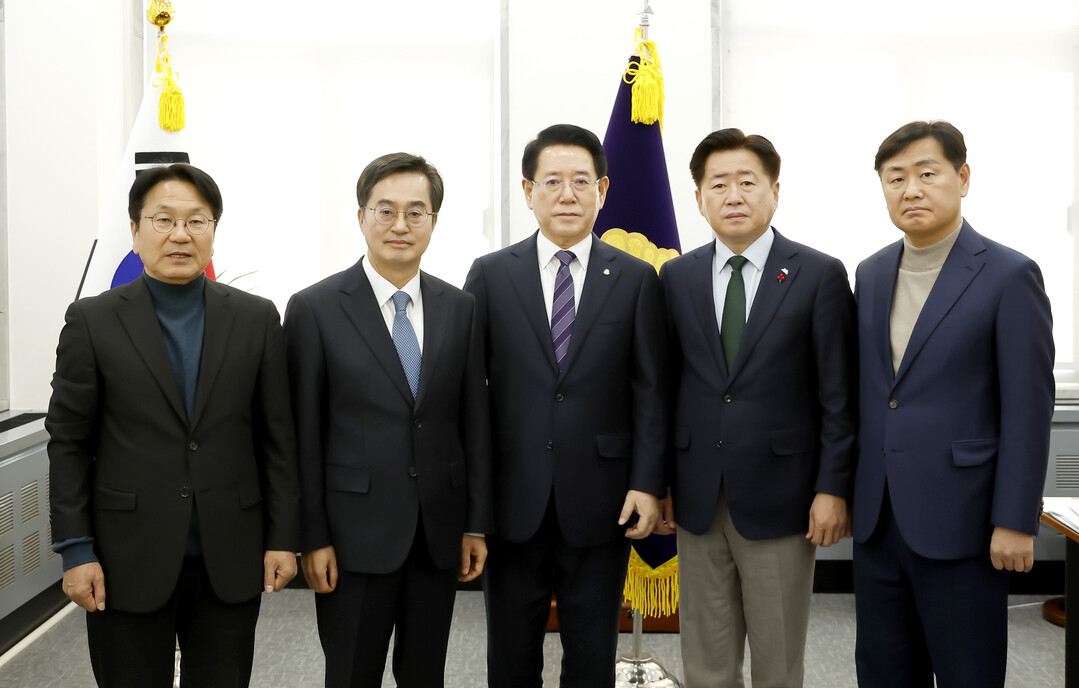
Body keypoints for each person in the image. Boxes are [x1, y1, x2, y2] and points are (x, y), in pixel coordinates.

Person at [46, 163, 300, 687]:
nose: (180, 235)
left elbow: (276, 438)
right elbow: (69, 443)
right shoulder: (92, 321)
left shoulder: (256, 319)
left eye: (196, 221)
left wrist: (283, 538)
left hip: (229, 556)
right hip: (124, 558)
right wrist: (75, 549)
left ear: (213, 231)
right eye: (163, 220)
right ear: (135, 230)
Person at [463, 123, 667, 687]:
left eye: (581, 181)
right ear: (528, 191)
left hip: (604, 499)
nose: (567, 194)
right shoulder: (490, 274)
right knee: (510, 655)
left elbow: (650, 390)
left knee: (591, 654)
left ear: (603, 189)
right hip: (512, 498)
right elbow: (470, 393)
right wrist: (474, 502)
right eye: (552, 181)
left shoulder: (635, 278)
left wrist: (647, 483)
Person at [852, 120, 1055, 687]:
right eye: (895, 178)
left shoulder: (1009, 275)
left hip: (966, 521)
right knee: (883, 674)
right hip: (879, 520)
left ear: (962, 178)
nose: (911, 190)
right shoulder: (870, 273)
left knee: (969, 674)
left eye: (927, 173)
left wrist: (1015, 519)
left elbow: (1028, 409)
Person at [658, 128, 857, 687]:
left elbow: (838, 397)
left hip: (784, 495)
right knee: (706, 658)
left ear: (775, 191)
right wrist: (661, 479)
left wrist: (833, 488)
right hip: (698, 494)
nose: (733, 196)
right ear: (699, 198)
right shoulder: (676, 276)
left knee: (778, 660)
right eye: (718, 184)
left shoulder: (818, 274)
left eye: (747, 182)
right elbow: (666, 388)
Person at [284, 152, 491, 688]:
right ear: (361, 217)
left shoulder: (460, 308)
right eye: (386, 210)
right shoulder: (315, 308)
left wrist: (474, 523)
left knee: (425, 675)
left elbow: (473, 424)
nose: (401, 225)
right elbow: (303, 435)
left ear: (433, 221)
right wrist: (312, 537)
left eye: (415, 212)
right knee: (352, 674)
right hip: (352, 538)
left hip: (437, 534)